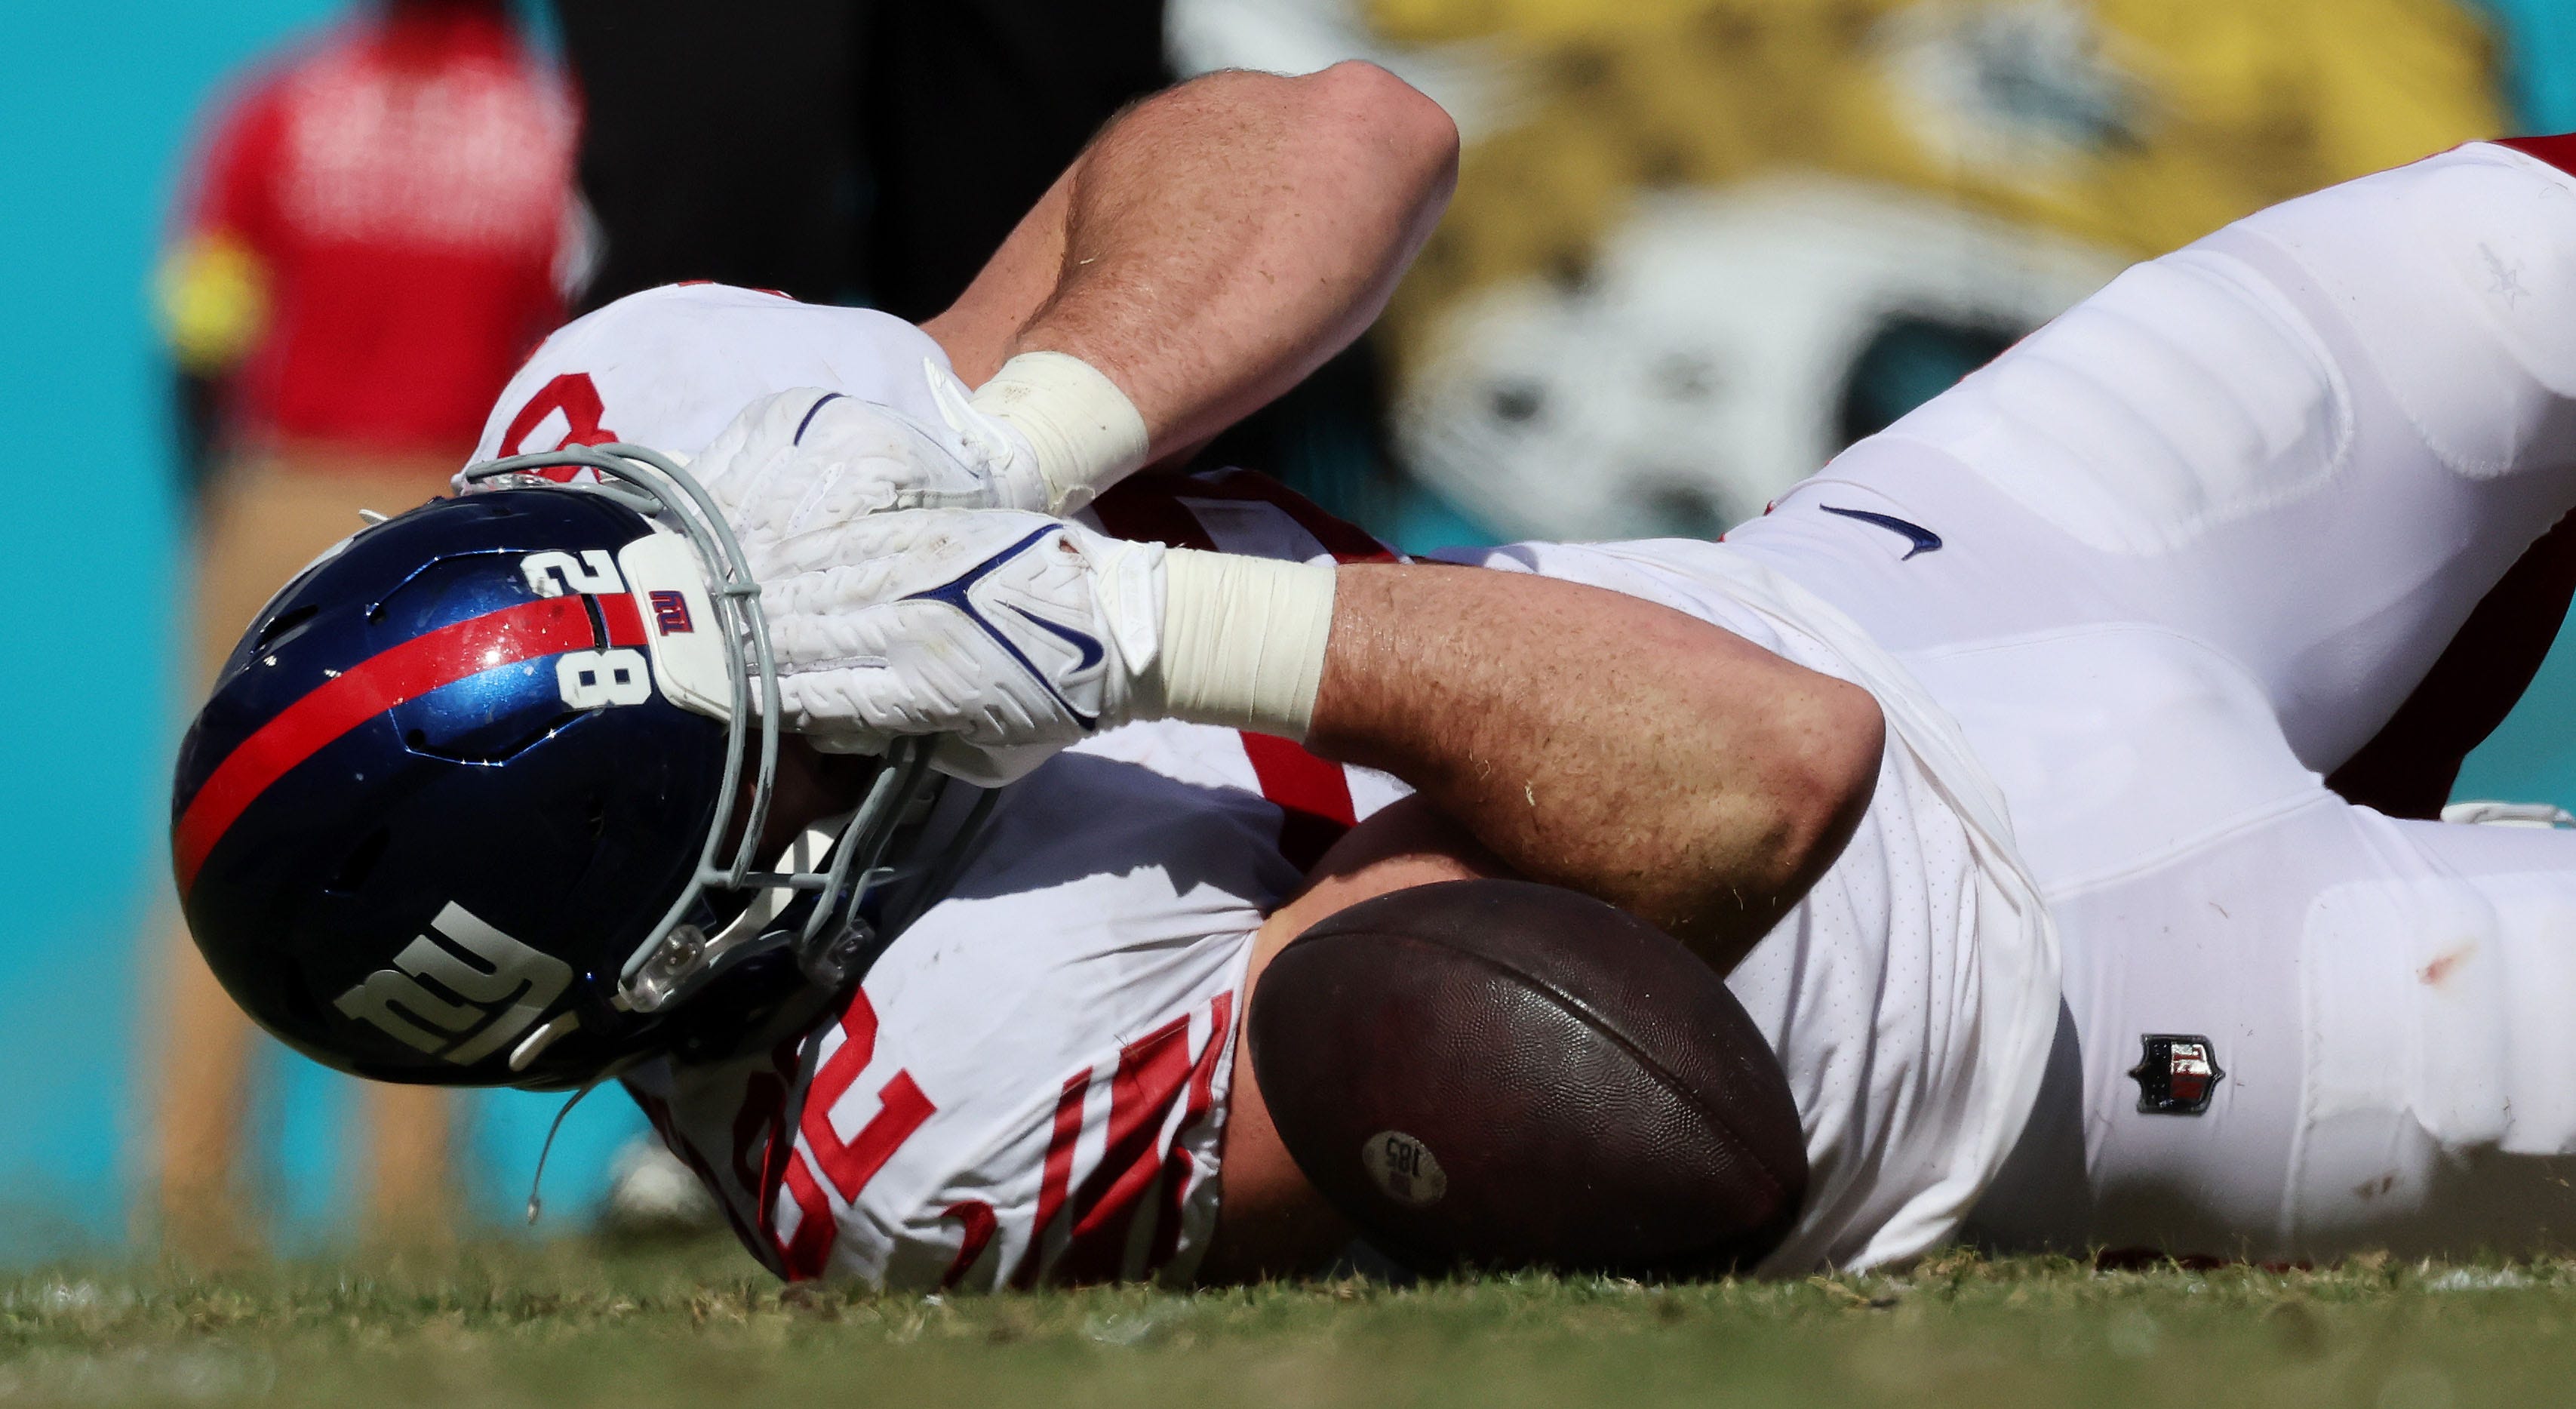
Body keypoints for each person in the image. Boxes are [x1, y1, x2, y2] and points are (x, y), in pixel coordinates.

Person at [171, 59, 2576, 1281]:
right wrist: (1114, 622)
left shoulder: (636, 421)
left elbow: (1336, 131)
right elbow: (1759, 774)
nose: (792, 645)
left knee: (2519, 244)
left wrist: (1012, 451)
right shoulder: (932, 1134)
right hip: (2034, 993)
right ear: (696, 951)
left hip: (1917, 557)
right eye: (771, 722)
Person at [153, 0, 580, 1257]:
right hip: (451, 514)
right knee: (443, 855)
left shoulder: (284, 103)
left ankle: (191, 1197)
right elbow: (572, 339)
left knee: (217, 834)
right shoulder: (547, 124)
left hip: (280, 486)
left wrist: (217, 492)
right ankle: (407, 1206)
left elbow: (199, 319)